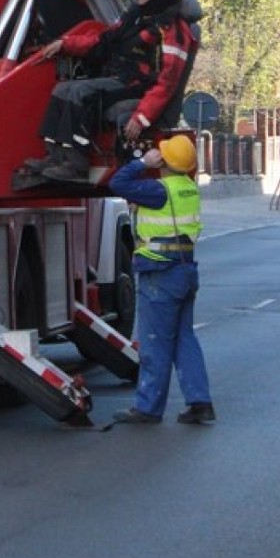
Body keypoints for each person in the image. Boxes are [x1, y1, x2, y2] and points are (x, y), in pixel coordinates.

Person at [25, 0, 198, 183]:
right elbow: (101, 40)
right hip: (121, 78)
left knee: (80, 94)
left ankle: (76, 165)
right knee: (62, 90)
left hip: (140, 85)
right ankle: (54, 157)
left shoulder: (171, 29)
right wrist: (66, 43)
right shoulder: (134, 17)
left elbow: (168, 82)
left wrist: (141, 116)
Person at [109, 134, 216, 426]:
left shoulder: (159, 191)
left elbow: (117, 184)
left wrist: (141, 162)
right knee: (185, 340)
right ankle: (200, 403)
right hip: (185, 271)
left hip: (160, 275)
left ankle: (148, 408)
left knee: (155, 343)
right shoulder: (189, 188)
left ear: (165, 162)